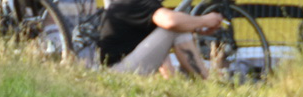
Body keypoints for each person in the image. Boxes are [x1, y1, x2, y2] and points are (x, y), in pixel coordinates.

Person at [96, 0, 224, 75]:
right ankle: (207, 80)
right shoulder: (139, 2)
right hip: (119, 71)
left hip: (119, 68)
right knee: (175, 29)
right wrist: (204, 21)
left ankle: (203, 78)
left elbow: (157, 46)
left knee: (176, 28)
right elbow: (171, 22)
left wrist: (196, 28)